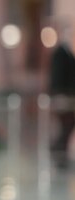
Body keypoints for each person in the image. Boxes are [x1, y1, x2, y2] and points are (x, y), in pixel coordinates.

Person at [49, 19, 75, 168]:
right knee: (65, 126)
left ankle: (60, 153)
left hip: (70, 97)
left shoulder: (68, 52)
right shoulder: (59, 53)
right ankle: (57, 152)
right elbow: (57, 76)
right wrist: (59, 95)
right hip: (63, 97)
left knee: (67, 127)